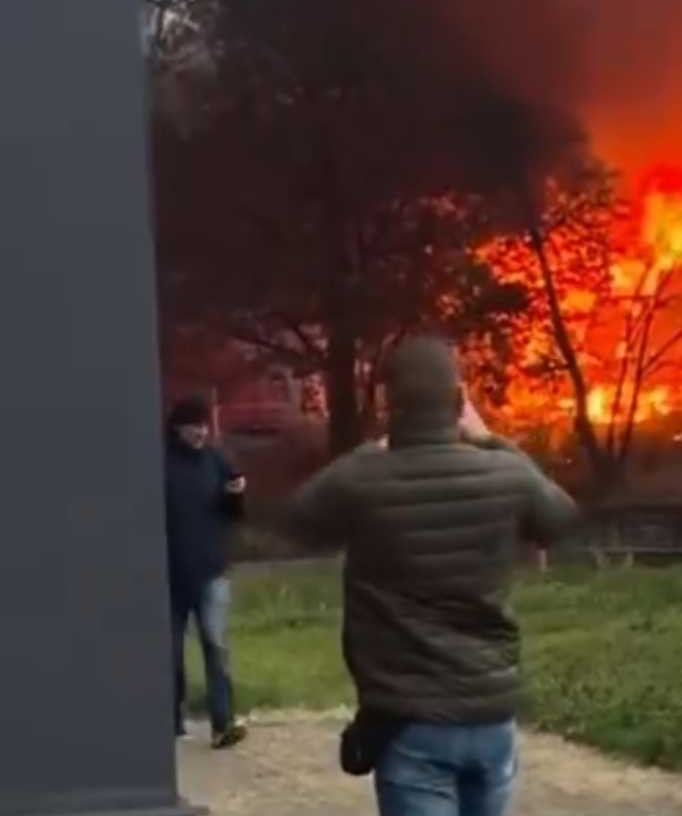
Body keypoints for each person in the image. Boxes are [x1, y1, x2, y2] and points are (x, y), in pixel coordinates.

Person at [286, 336, 577, 816]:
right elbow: (561, 519)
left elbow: (296, 520)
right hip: (491, 716)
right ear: (461, 403)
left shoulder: (363, 478)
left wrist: (371, 450)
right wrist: (494, 440)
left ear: (387, 406)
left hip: (409, 721)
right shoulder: (506, 473)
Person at [163, 394, 249, 748]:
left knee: (216, 646)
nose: (200, 432)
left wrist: (235, 494)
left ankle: (222, 722)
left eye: (203, 425)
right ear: (176, 429)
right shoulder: (161, 463)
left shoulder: (216, 460)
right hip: (169, 573)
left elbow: (234, 513)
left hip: (212, 569)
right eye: (192, 426)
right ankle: (171, 721)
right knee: (170, 653)